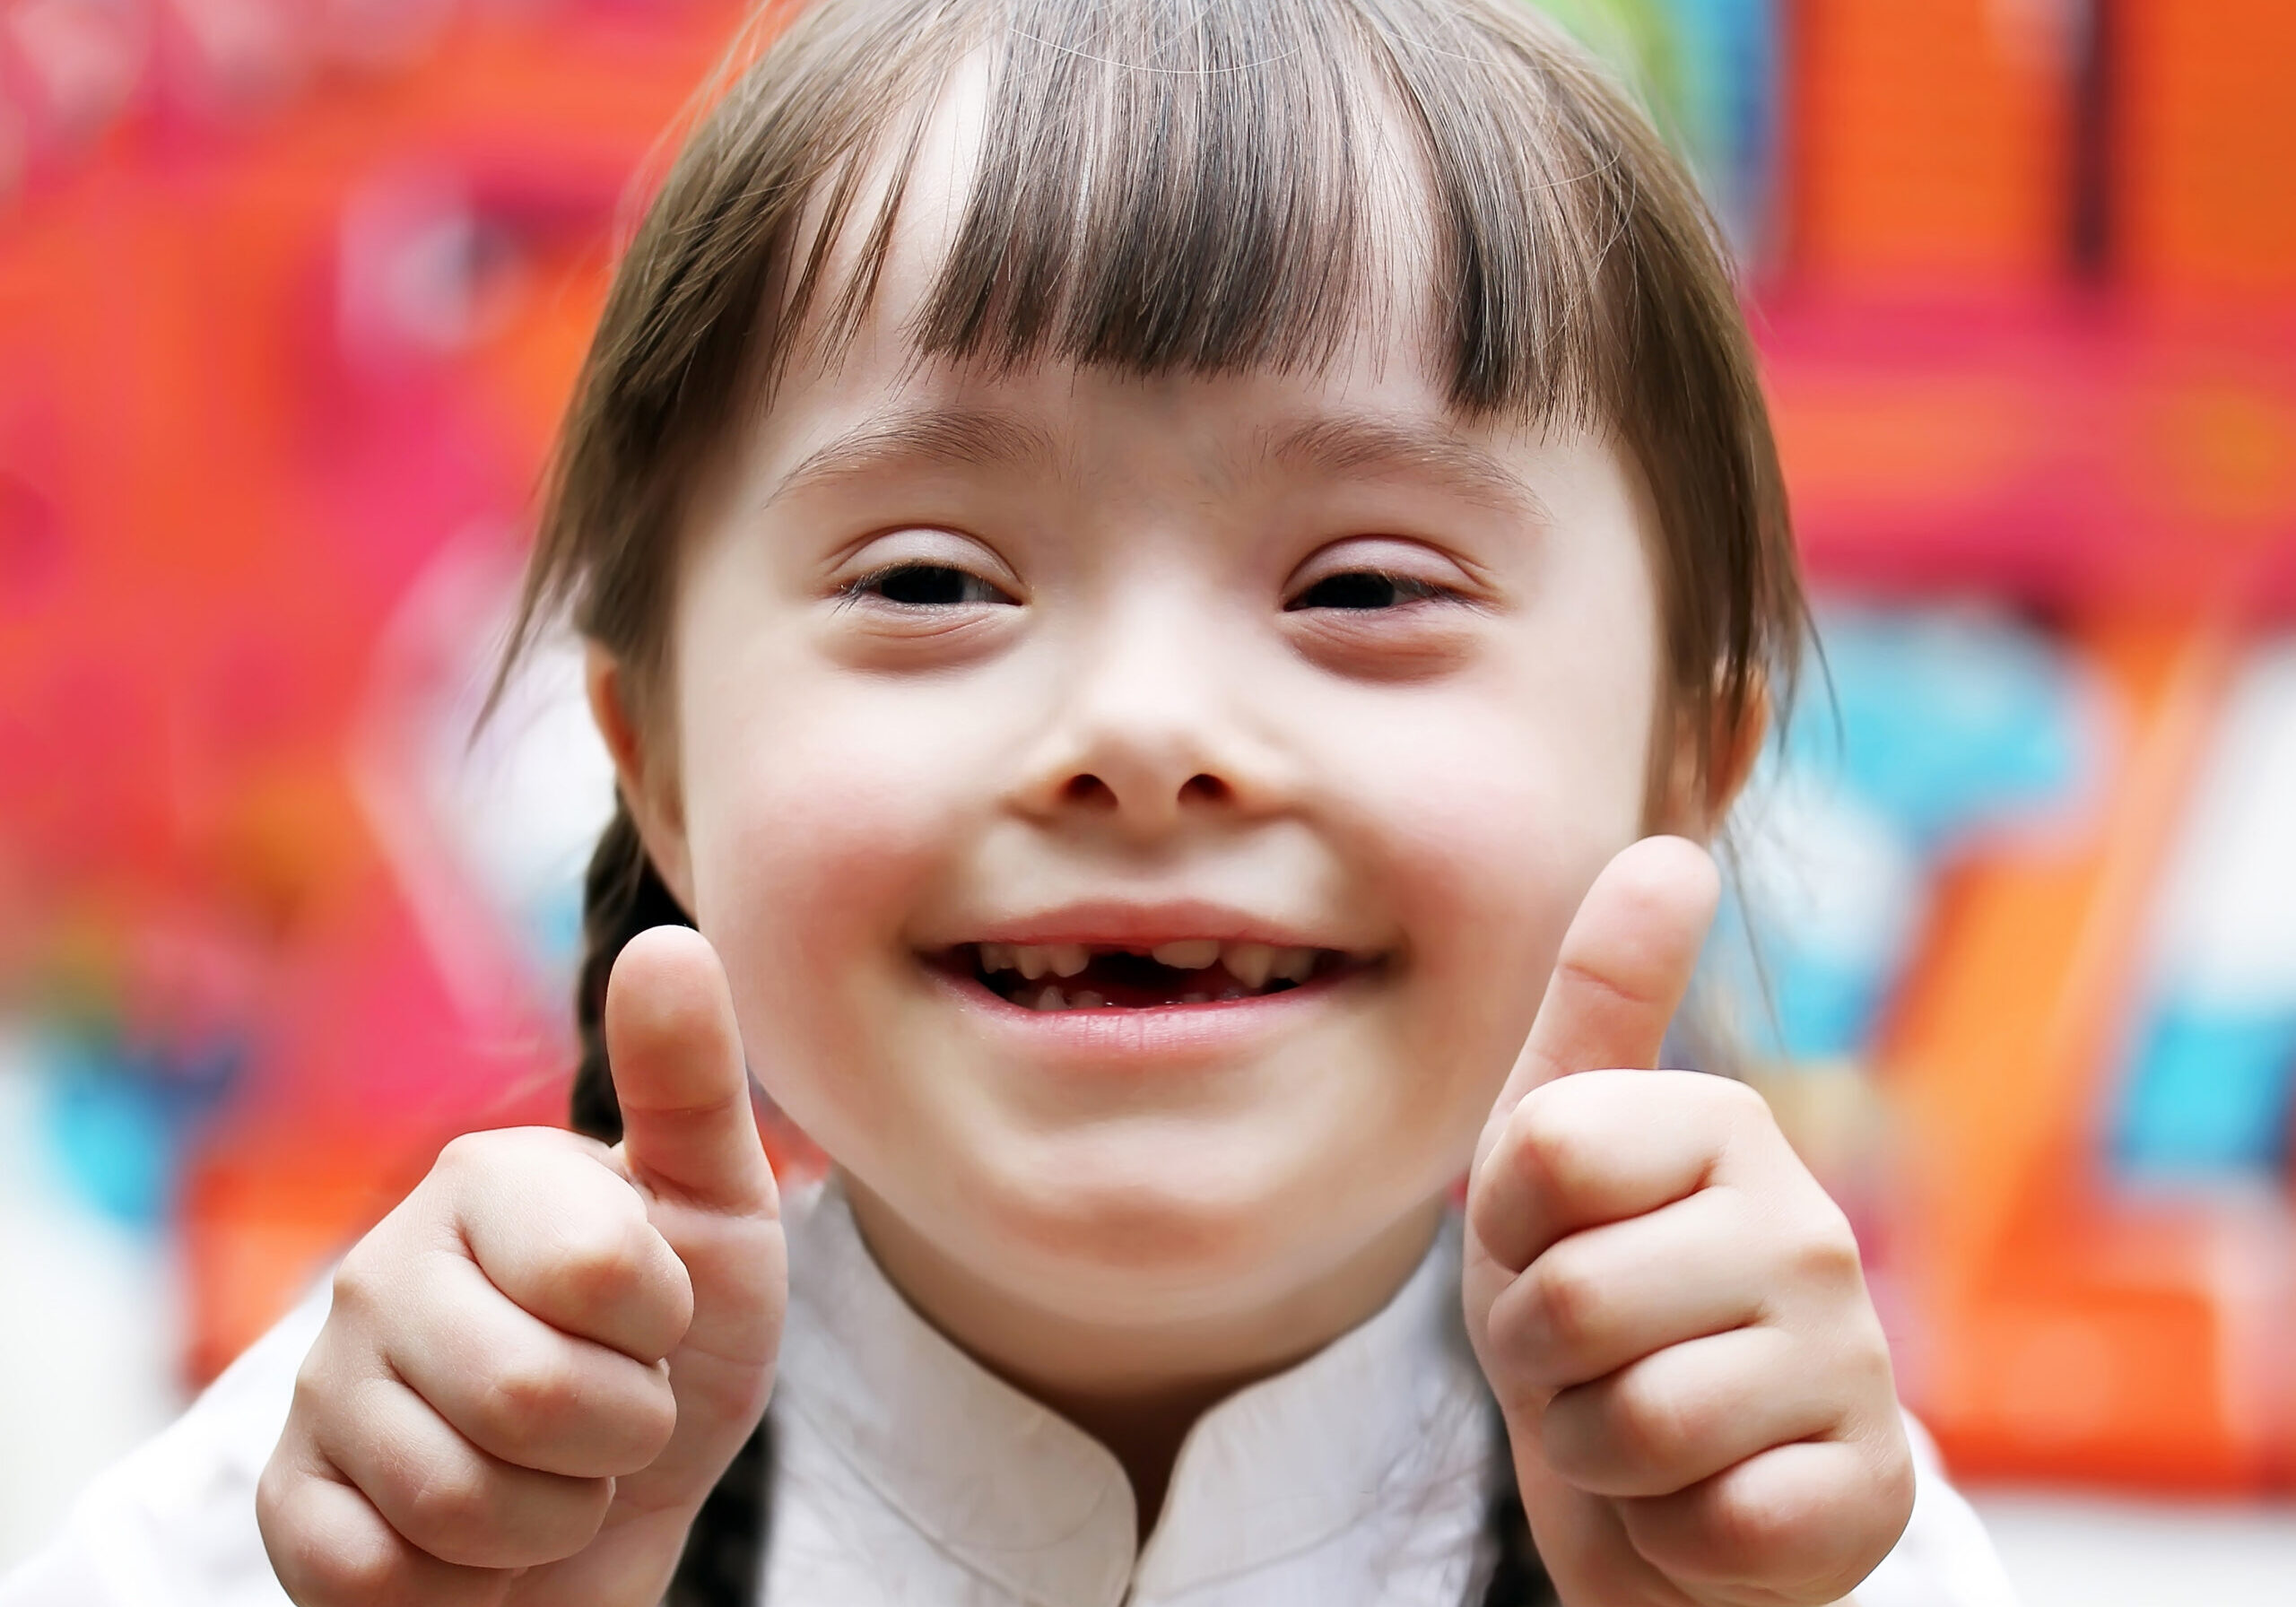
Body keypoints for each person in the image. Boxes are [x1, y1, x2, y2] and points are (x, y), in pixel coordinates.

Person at [4, 0, 2022, 1603]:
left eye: (1363, 588)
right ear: (657, 762)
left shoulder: (1804, 1545)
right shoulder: (391, 1485)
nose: (1142, 726)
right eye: (929, 580)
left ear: (1685, 769)